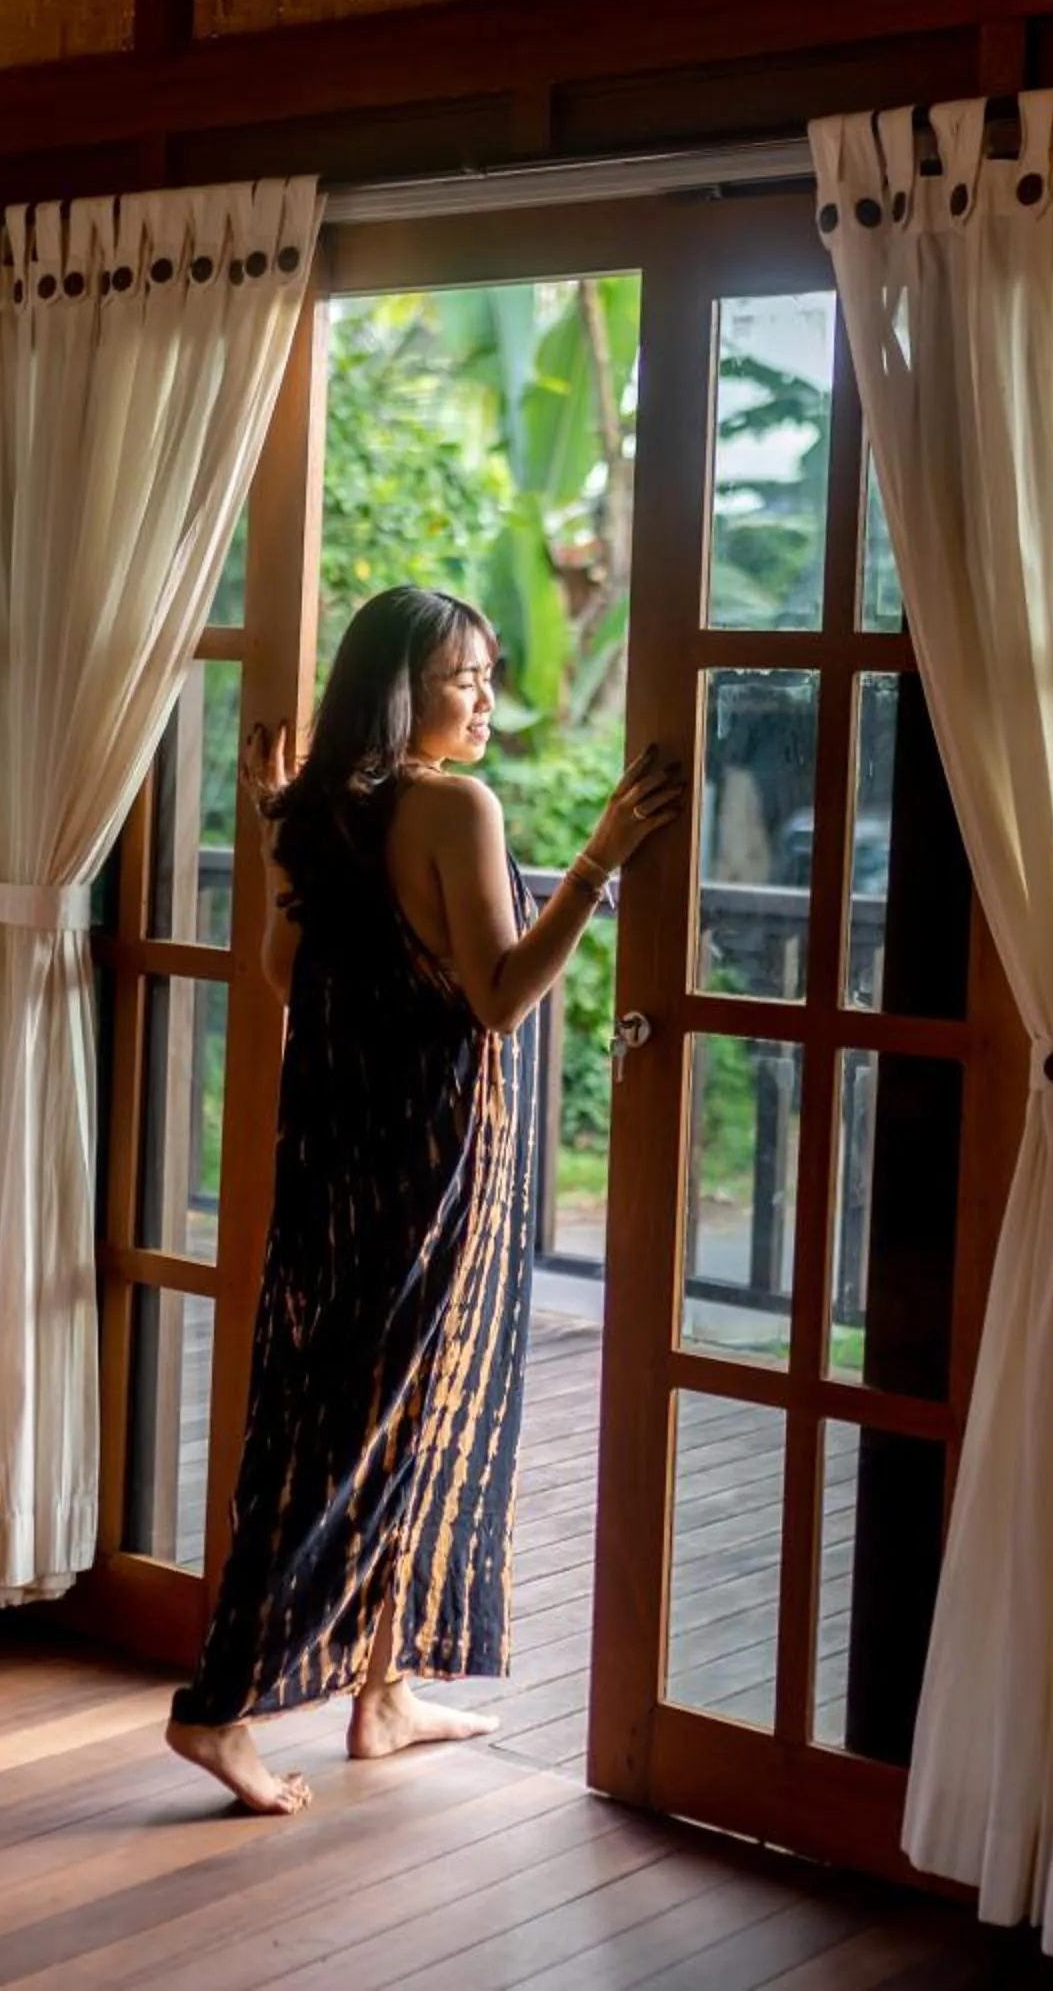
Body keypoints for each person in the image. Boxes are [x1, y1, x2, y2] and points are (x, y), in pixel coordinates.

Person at [164, 585, 685, 1815]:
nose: (487, 700)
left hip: (331, 1162)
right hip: (425, 1163)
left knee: (355, 1414)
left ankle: (383, 1691)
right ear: (403, 690)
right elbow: (501, 995)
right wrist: (601, 861)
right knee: (365, 1432)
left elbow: (281, 973)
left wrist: (274, 824)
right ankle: (216, 1708)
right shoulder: (457, 806)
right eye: (465, 679)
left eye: (491, 675)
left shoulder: (325, 812)